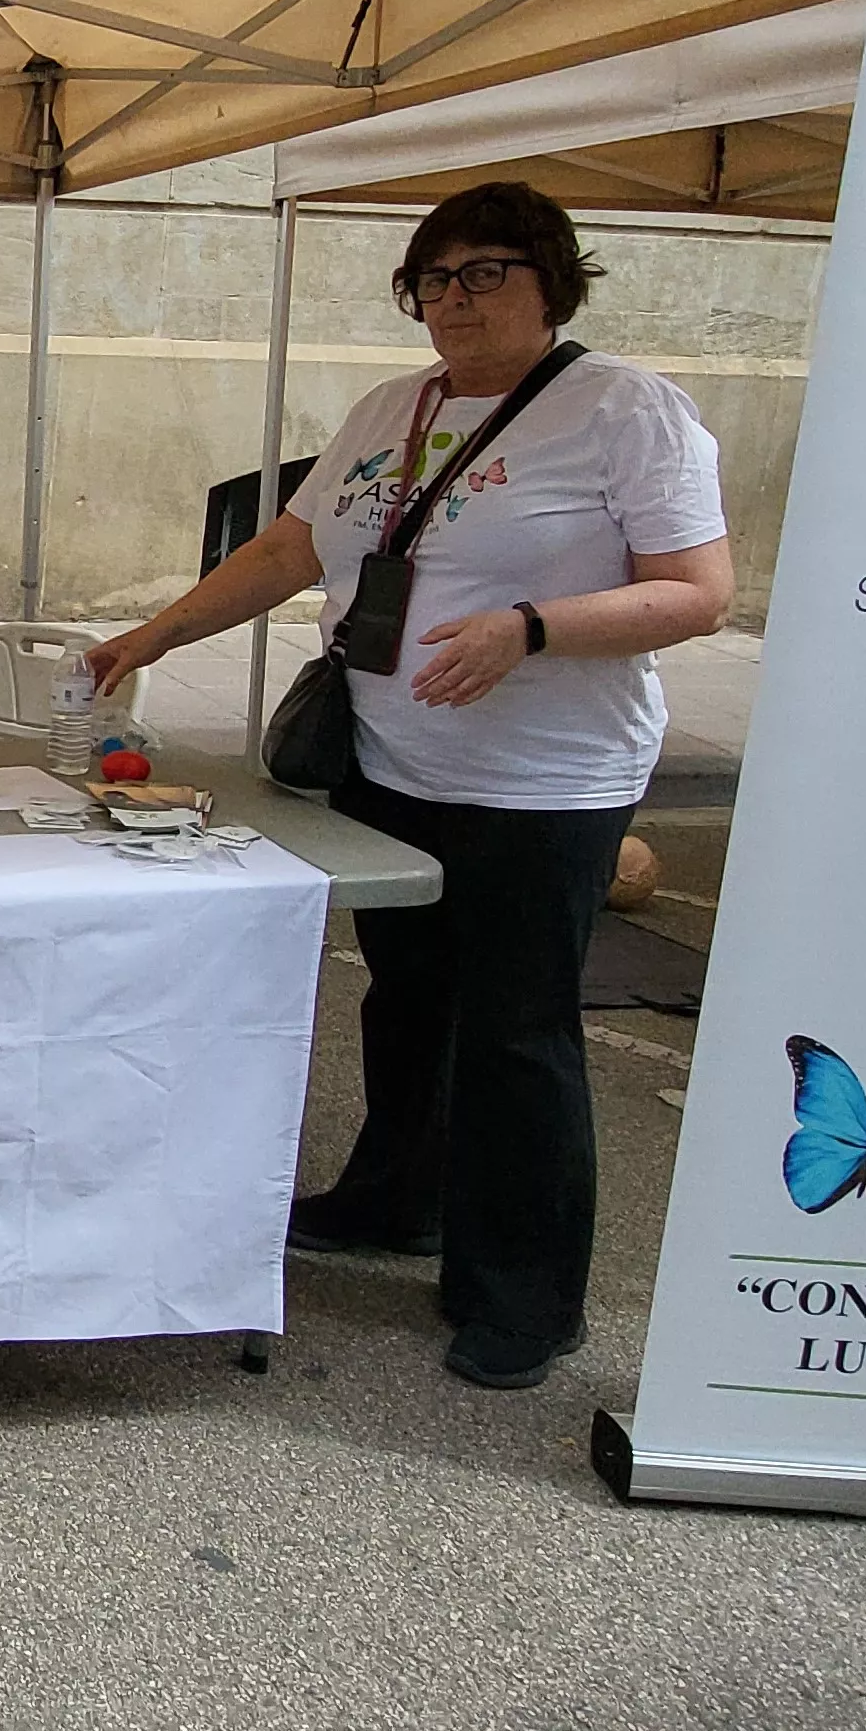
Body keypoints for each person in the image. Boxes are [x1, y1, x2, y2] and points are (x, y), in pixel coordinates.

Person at [86, 181, 732, 1392]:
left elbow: (698, 590)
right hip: (390, 763)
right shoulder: (394, 407)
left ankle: (525, 1295)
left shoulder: (624, 410)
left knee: (517, 1031)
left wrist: (530, 626)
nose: (452, 300)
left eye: (483, 273)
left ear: (552, 277)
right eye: (432, 279)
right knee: (408, 999)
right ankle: (398, 1198)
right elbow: (292, 549)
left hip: (546, 783)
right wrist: (156, 635)